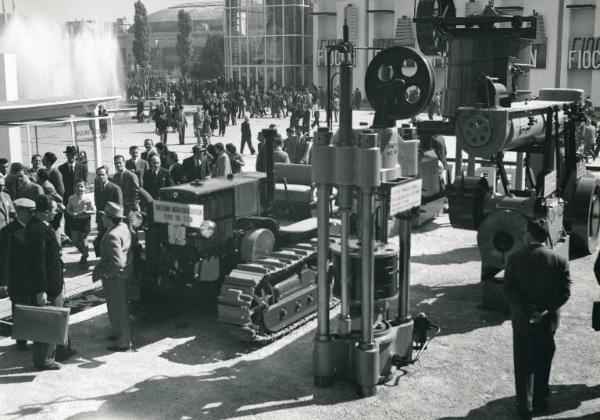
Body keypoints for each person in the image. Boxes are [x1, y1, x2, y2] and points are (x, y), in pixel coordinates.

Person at [504, 219, 571, 418]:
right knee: (544, 359)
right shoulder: (559, 260)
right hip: (548, 321)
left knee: (523, 362)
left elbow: (508, 290)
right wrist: (542, 310)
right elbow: (565, 292)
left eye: (525, 231)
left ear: (531, 234)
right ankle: (541, 401)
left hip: (523, 321)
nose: (523, 234)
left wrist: (528, 310)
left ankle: (524, 407)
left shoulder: (514, 258)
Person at [26, 195, 74, 370]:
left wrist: (59, 212)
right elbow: (38, 263)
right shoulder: (38, 230)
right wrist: (41, 290)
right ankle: (44, 360)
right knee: (47, 323)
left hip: (53, 283)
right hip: (47, 287)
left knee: (56, 320)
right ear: (45, 213)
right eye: (53, 210)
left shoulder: (40, 225)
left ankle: (60, 351)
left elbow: (53, 226)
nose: (55, 212)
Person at [92, 202, 133, 352]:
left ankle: (123, 342)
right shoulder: (123, 227)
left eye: (103, 216)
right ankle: (117, 333)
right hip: (124, 274)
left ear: (109, 218)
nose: (101, 218)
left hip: (115, 277)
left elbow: (117, 262)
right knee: (117, 306)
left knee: (118, 308)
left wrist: (107, 275)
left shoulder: (112, 235)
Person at [0, 198, 35, 350]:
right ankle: (21, 340)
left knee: (34, 306)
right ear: (20, 212)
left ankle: (36, 336)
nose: (33, 214)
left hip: (33, 277)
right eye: (30, 212)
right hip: (17, 279)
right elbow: (4, 259)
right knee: (19, 308)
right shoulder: (7, 231)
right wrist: (3, 282)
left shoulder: (34, 227)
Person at [58, 146, 87, 238]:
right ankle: (69, 237)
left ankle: (80, 236)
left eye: (73, 155)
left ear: (76, 155)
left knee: (80, 216)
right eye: (69, 154)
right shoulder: (61, 168)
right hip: (67, 197)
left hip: (79, 196)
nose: (71, 157)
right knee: (68, 216)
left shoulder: (82, 167)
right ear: (66, 155)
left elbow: (85, 181)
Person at [66, 180, 95, 266]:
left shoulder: (88, 198)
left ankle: (84, 257)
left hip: (84, 221)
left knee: (83, 240)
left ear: (85, 188)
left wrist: (87, 212)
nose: (79, 188)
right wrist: (72, 213)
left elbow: (94, 210)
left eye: (81, 186)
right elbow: (68, 209)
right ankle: (85, 253)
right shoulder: (71, 198)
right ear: (74, 188)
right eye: (77, 186)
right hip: (75, 220)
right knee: (75, 241)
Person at [94, 166, 123, 247]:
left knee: (112, 242)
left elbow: (120, 207)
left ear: (107, 175)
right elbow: (98, 204)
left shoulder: (115, 188)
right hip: (101, 220)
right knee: (102, 242)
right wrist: (98, 220)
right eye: (99, 175)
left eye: (103, 174)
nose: (101, 177)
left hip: (112, 221)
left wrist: (118, 222)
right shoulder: (97, 188)